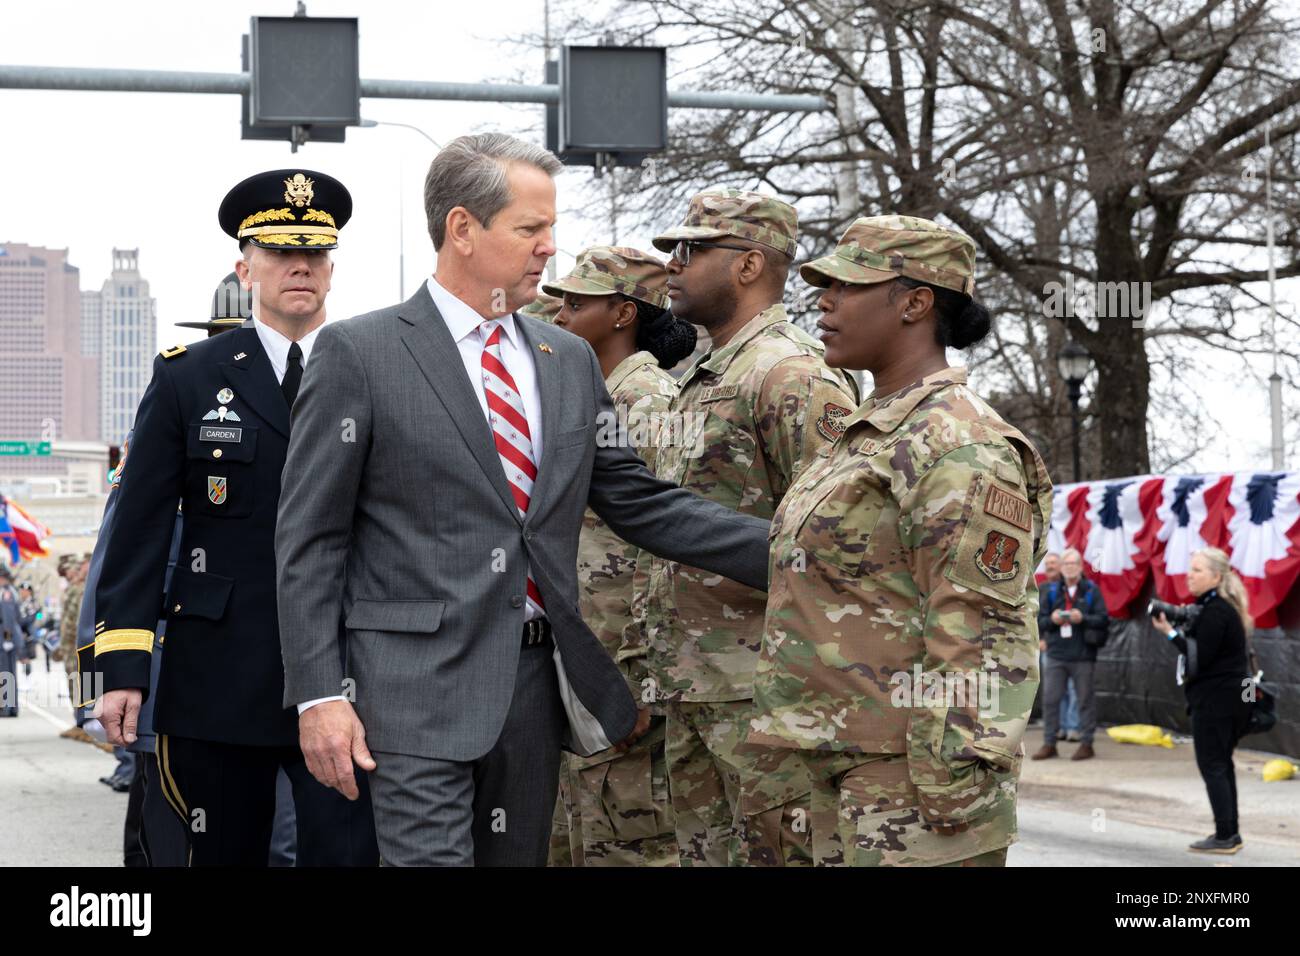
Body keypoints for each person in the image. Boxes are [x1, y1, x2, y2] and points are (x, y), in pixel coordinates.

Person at [275, 133, 772, 867]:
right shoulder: (360, 353)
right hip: (410, 693)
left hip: (536, 689)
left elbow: (636, 501)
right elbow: (310, 540)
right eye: (530, 229)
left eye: (551, 229)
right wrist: (320, 695)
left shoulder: (565, 359)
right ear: (463, 230)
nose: (549, 248)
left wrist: (792, 548)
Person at [87, 170, 379, 867]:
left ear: (332, 271)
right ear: (245, 267)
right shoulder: (190, 376)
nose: (300, 267)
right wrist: (123, 666)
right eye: (280, 253)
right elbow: (139, 530)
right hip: (219, 674)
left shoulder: (373, 371)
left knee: (347, 857)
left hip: (348, 669)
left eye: (315, 254)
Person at [746, 215, 1052, 867]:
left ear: (916, 302)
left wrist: (949, 800)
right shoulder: (861, 437)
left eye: (850, 286)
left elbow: (981, 633)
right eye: (825, 285)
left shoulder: (957, 444)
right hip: (836, 773)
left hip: (912, 796)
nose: (825, 302)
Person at [641, 189, 858, 867]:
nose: (672, 267)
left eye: (691, 250)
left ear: (748, 264)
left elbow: (837, 544)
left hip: (765, 694)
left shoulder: (790, 374)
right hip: (697, 683)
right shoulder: (705, 375)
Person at [541, 245, 694, 866]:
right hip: (583, 650)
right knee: (578, 835)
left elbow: (667, 533)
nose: (560, 316)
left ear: (624, 313)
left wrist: (639, 669)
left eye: (577, 304)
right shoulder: (591, 391)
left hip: (624, 661)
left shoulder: (646, 400)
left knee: (628, 841)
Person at [1152, 547, 1253, 854]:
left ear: (1216, 576)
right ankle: (1229, 833)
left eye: (1197, 570)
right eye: (1190, 568)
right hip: (1225, 698)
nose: (1189, 575)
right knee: (1221, 764)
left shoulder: (1217, 611)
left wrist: (1170, 633)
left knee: (1213, 765)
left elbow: (1200, 658)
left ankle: (1225, 835)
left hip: (1217, 700)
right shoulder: (1215, 608)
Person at [1033, 548, 1107, 761]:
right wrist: (1053, 619)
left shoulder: (1091, 591)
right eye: (1066, 564)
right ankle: (1049, 743)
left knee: (1084, 700)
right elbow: (1040, 620)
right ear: (1061, 568)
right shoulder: (1052, 591)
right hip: (1056, 653)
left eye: (1074, 563)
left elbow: (1103, 619)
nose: (1070, 567)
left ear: (1081, 567)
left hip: (1082, 655)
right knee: (1050, 700)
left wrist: (1082, 618)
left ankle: (1086, 743)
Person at [0, 567, 26, 718]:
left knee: (5, 674)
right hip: (5, 638)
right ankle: (10, 707)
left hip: (4, 639)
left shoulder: (6, 593)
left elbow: (8, 619)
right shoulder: (8, 591)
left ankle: (7, 707)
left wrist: (7, 639)